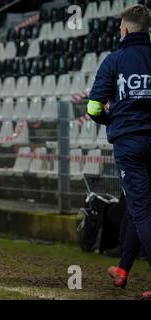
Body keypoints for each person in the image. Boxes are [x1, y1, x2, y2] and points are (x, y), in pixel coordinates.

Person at [86, 4, 151, 298]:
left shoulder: (115, 60)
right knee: (139, 210)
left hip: (129, 143)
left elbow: (93, 107)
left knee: (141, 210)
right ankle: (123, 270)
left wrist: (111, 119)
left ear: (124, 29)